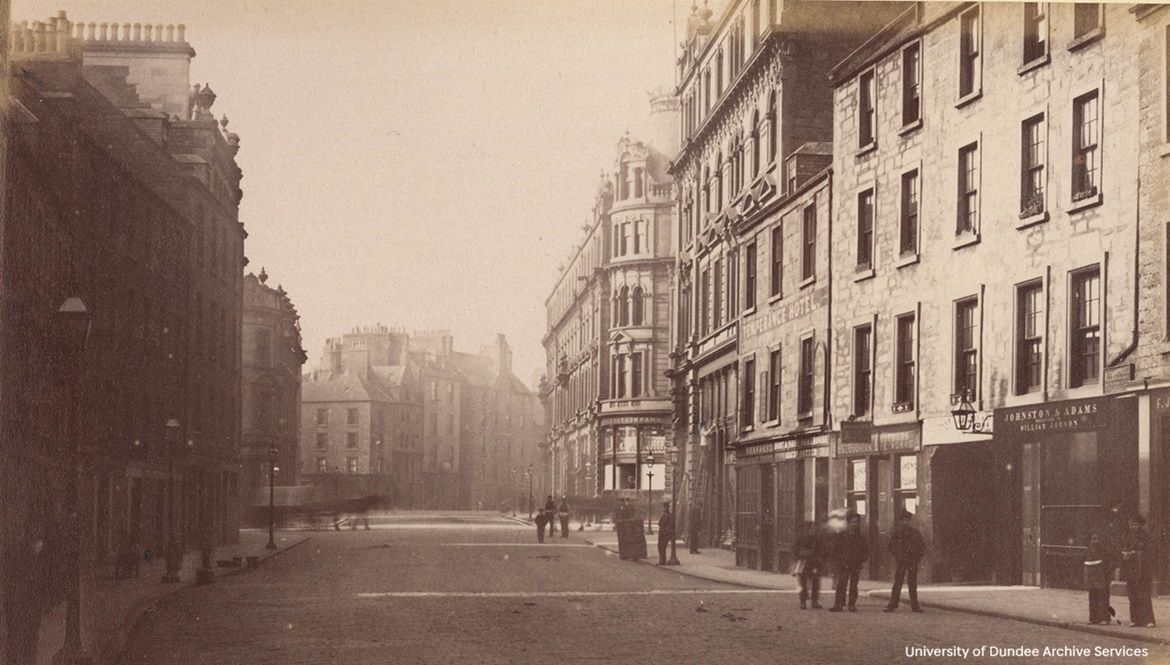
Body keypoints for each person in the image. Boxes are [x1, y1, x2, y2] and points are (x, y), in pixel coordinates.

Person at [884, 511, 926, 613]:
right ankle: (893, 604)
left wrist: (917, 558)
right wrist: (897, 556)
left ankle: (914, 604)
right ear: (900, 521)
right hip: (901, 561)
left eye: (908, 520)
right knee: (898, 582)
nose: (906, 522)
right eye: (904, 520)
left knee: (912, 583)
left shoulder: (915, 532)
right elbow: (891, 546)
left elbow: (922, 546)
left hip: (912, 560)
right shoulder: (897, 533)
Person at [1121, 515, 1156, 628]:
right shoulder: (1128, 537)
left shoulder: (1146, 537)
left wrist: (1134, 554)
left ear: (1140, 525)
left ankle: (1148, 620)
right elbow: (1123, 549)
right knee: (1133, 595)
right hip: (1131, 570)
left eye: (1135, 524)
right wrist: (1125, 554)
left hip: (1143, 570)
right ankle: (1135, 619)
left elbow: (1150, 553)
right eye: (1131, 525)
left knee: (1144, 595)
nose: (1133, 527)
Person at [829, 512, 868, 613]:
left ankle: (851, 604)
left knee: (854, 585)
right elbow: (835, 549)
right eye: (852, 522)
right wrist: (839, 560)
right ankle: (838, 604)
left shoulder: (861, 538)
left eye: (856, 522)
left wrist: (861, 559)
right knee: (841, 584)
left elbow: (866, 550)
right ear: (848, 523)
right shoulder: (841, 536)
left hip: (855, 563)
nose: (854, 524)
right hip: (843, 563)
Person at [1084, 532, 1115, 625]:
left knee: (1103, 598)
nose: (1095, 541)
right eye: (1093, 539)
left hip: (1103, 578)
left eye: (1097, 539)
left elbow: (1111, 564)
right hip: (1092, 579)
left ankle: (1104, 618)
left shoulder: (1106, 552)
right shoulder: (1088, 551)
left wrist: (1107, 574)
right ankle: (1093, 618)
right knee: (1092, 598)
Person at [794, 522, 823, 609]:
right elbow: (795, 551)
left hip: (814, 563)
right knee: (803, 583)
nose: (810, 531)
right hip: (804, 563)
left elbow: (821, 551)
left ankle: (814, 601)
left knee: (815, 583)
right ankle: (803, 601)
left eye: (812, 529)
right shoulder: (800, 540)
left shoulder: (817, 540)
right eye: (809, 529)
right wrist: (803, 554)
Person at [657, 501, 675, 565]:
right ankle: (662, 560)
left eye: (664, 507)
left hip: (664, 533)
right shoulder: (666, 515)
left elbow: (661, 523)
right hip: (663, 533)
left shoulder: (666, 515)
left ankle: (662, 561)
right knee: (661, 547)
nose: (663, 509)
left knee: (662, 547)